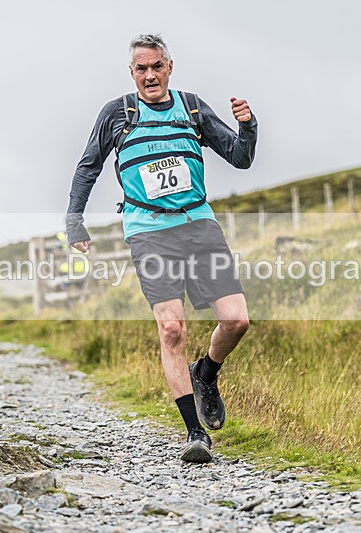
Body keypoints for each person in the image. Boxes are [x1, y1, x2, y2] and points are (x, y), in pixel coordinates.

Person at [65, 34, 257, 463]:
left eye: (156, 67)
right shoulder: (117, 114)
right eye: (141, 69)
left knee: (237, 320)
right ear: (131, 73)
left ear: (170, 66)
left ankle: (205, 374)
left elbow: (240, 157)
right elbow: (88, 166)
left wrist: (249, 126)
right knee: (172, 329)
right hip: (148, 230)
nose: (149, 76)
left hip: (198, 223)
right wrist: (74, 219)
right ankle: (195, 434)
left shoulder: (191, 108)